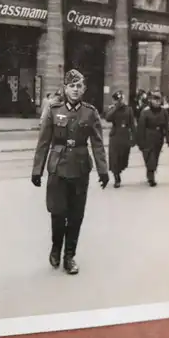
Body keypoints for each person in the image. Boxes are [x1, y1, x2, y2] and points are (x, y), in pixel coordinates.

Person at [31, 69, 109, 275]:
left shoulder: (90, 112)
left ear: (83, 89)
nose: (75, 90)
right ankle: (56, 248)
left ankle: (69, 256)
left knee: (76, 216)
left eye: (79, 86)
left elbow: (98, 144)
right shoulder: (54, 109)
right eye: (71, 86)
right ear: (65, 88)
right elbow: (44, 141)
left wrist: (103, 170)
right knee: (57, 213)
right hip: (57, 168)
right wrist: (37, 170)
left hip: (80, 169)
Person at [137, 90, 169, 187]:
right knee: (149, 158)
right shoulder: (145, 112)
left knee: (155, 158)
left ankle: (150, 173)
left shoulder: (164, 112)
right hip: (148, 137)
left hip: (159, 138)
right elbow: (141, 127)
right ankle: (151, 178)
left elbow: (166, 126)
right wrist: (140, 142)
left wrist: (168, 139)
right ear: (151, 100)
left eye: (158, 100)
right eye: (154, 100)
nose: (157, 102)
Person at [105, 90, 136, 188]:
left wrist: (134, 138)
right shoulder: (112, 109)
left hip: (125, 136)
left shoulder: (129, 109)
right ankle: (116, 177)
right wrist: (115, 108)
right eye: (117, 100)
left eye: (120, 100)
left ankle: (119, 170)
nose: (119, 102)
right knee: (114, 158)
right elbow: (108, 118)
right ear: (114, 101)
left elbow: (132, 124)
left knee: (123, 158)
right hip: (115, 136)